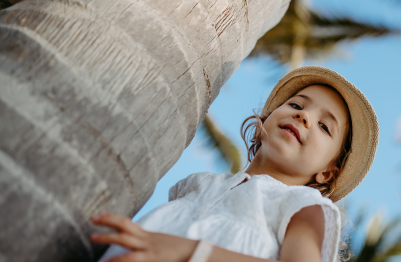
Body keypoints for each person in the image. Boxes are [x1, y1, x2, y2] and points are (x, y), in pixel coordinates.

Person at [91, 66, 378, 262]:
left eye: (324, 126)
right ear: (262, 124)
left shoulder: (304, 205)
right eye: (296, 105)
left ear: (328, 171)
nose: (304, 117)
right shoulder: (198, 184)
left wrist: (188, 251)